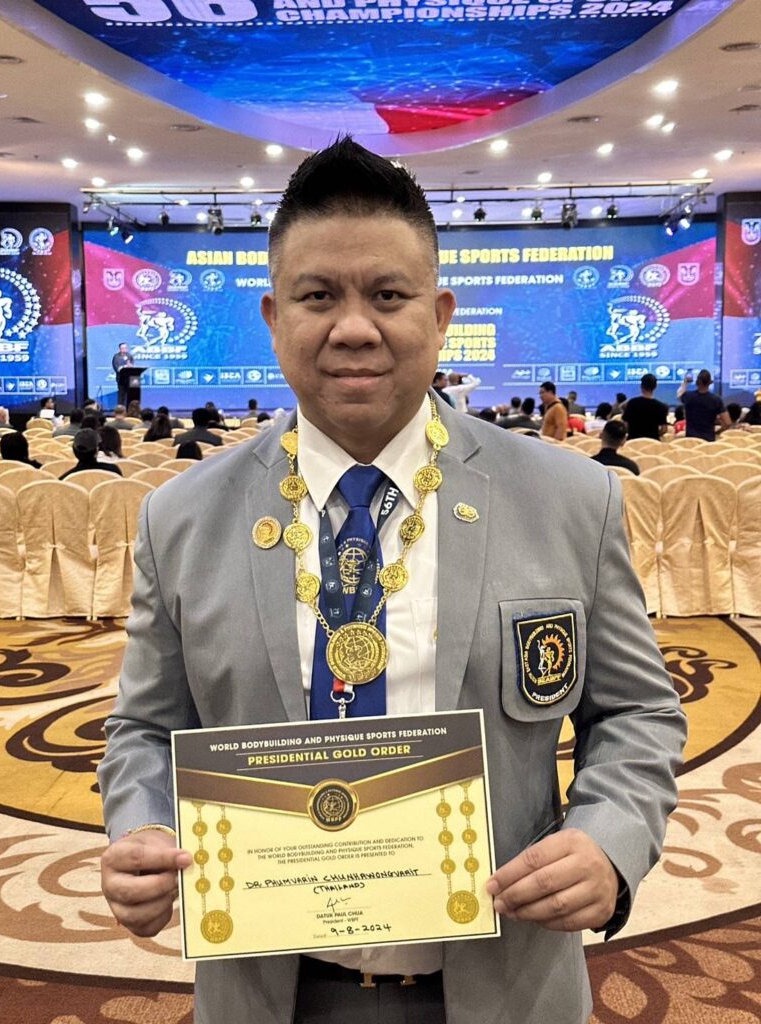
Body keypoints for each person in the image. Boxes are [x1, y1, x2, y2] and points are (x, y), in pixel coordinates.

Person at [98, 137, 685, 1024]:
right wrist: (143, 825)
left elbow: (638, 711)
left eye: (387, 295)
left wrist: (609, 839)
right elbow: (145, 727)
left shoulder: (569, 498)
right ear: (273, 318)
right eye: (318, 296)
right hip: (269, 988)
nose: (353, 328)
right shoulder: (181, 518)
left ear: (439, 315)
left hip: (507, 983)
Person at [677, 369, 730, 441]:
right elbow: (727, 422)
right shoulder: (716, 400)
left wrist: (685, 383)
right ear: (710, 383)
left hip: (691, 441)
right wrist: (718, 432)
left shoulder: (688, 396)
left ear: (697, 382)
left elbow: (679, 394)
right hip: (708, 440)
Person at [622, 374, 668, 440]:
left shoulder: (632, 403)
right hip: (653, 442)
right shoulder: (661, 406)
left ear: (641, 386)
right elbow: (664, 429)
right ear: (655, 386)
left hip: (633, 441)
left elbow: (625, 425)